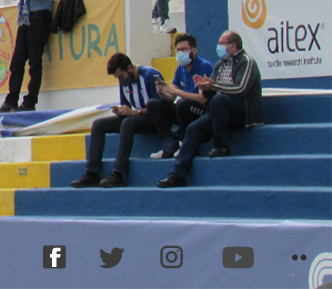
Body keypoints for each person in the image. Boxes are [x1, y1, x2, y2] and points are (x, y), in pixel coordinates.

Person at [158, 31, 264, 188]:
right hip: (219, 111)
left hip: (242, 110)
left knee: (220, 99)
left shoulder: (246, 61)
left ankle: (221, 145)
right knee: (193, 129)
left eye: (222, 44)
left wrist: (212, 85)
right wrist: (205, 87)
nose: (218, 47)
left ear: (233, 46)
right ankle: (178, 174)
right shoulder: (220, 65)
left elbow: (240, 89)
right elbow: (211, 92)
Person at [70, 53, 163, 188]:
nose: (121, 80)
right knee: (99, 124)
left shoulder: (149, 76)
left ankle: (119, 173)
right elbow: (127, 106)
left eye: (121, 76)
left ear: (129, 68)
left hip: (153, 119)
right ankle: (92, 173)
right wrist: (121, 111)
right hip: (136, 116)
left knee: (127, 123)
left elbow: (159, 108)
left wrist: (135, 112)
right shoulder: (125, 81)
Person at [146, 33, 215, 160]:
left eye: (184, 49)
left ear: (194, 50)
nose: (181, 52)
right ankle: (169, 143)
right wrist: (163, 92)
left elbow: (202, 99)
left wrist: (175, 92)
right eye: (178, 50)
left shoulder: (205, 66)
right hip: (183, 111)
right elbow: (171, 97)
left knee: (183, 104)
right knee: (153, 104)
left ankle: (185, 143)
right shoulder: (180, 68)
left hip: (201, 112)